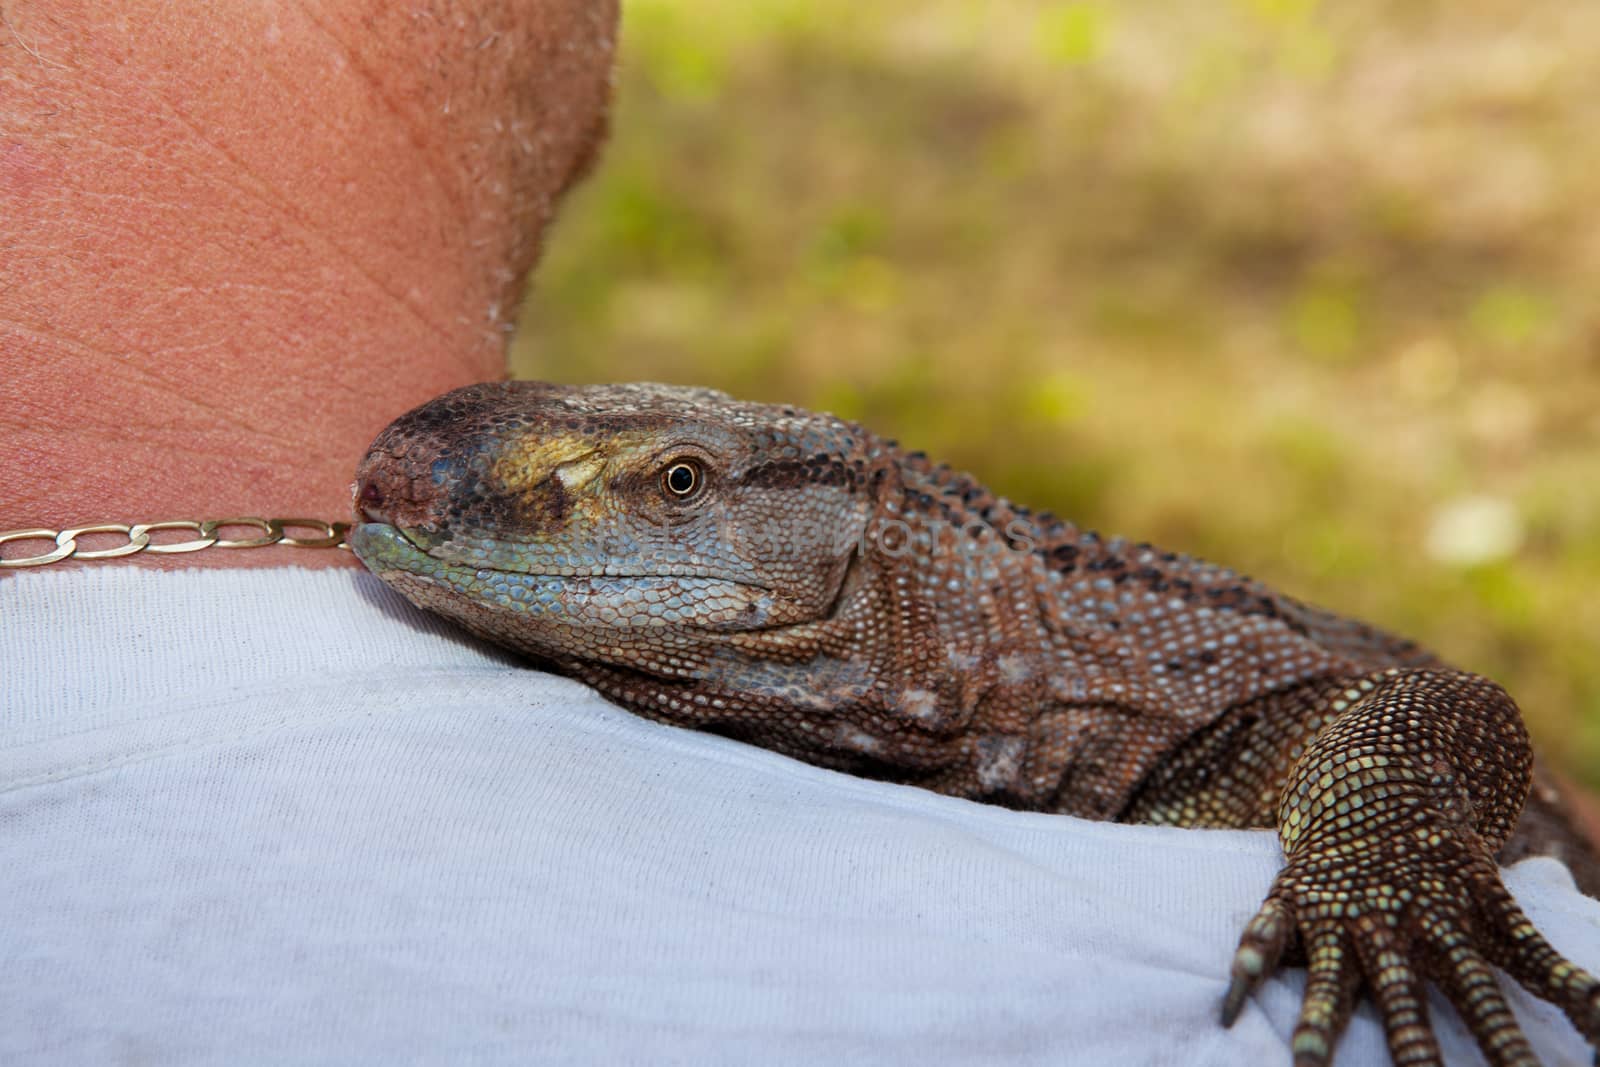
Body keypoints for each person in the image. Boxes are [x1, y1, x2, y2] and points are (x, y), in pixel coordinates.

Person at [2, 4, 1597, 1064]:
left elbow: (1429, 713)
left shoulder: (1138, 701)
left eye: (674, 488)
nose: (553, 512)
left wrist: (1378, 858)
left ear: (843, 538)